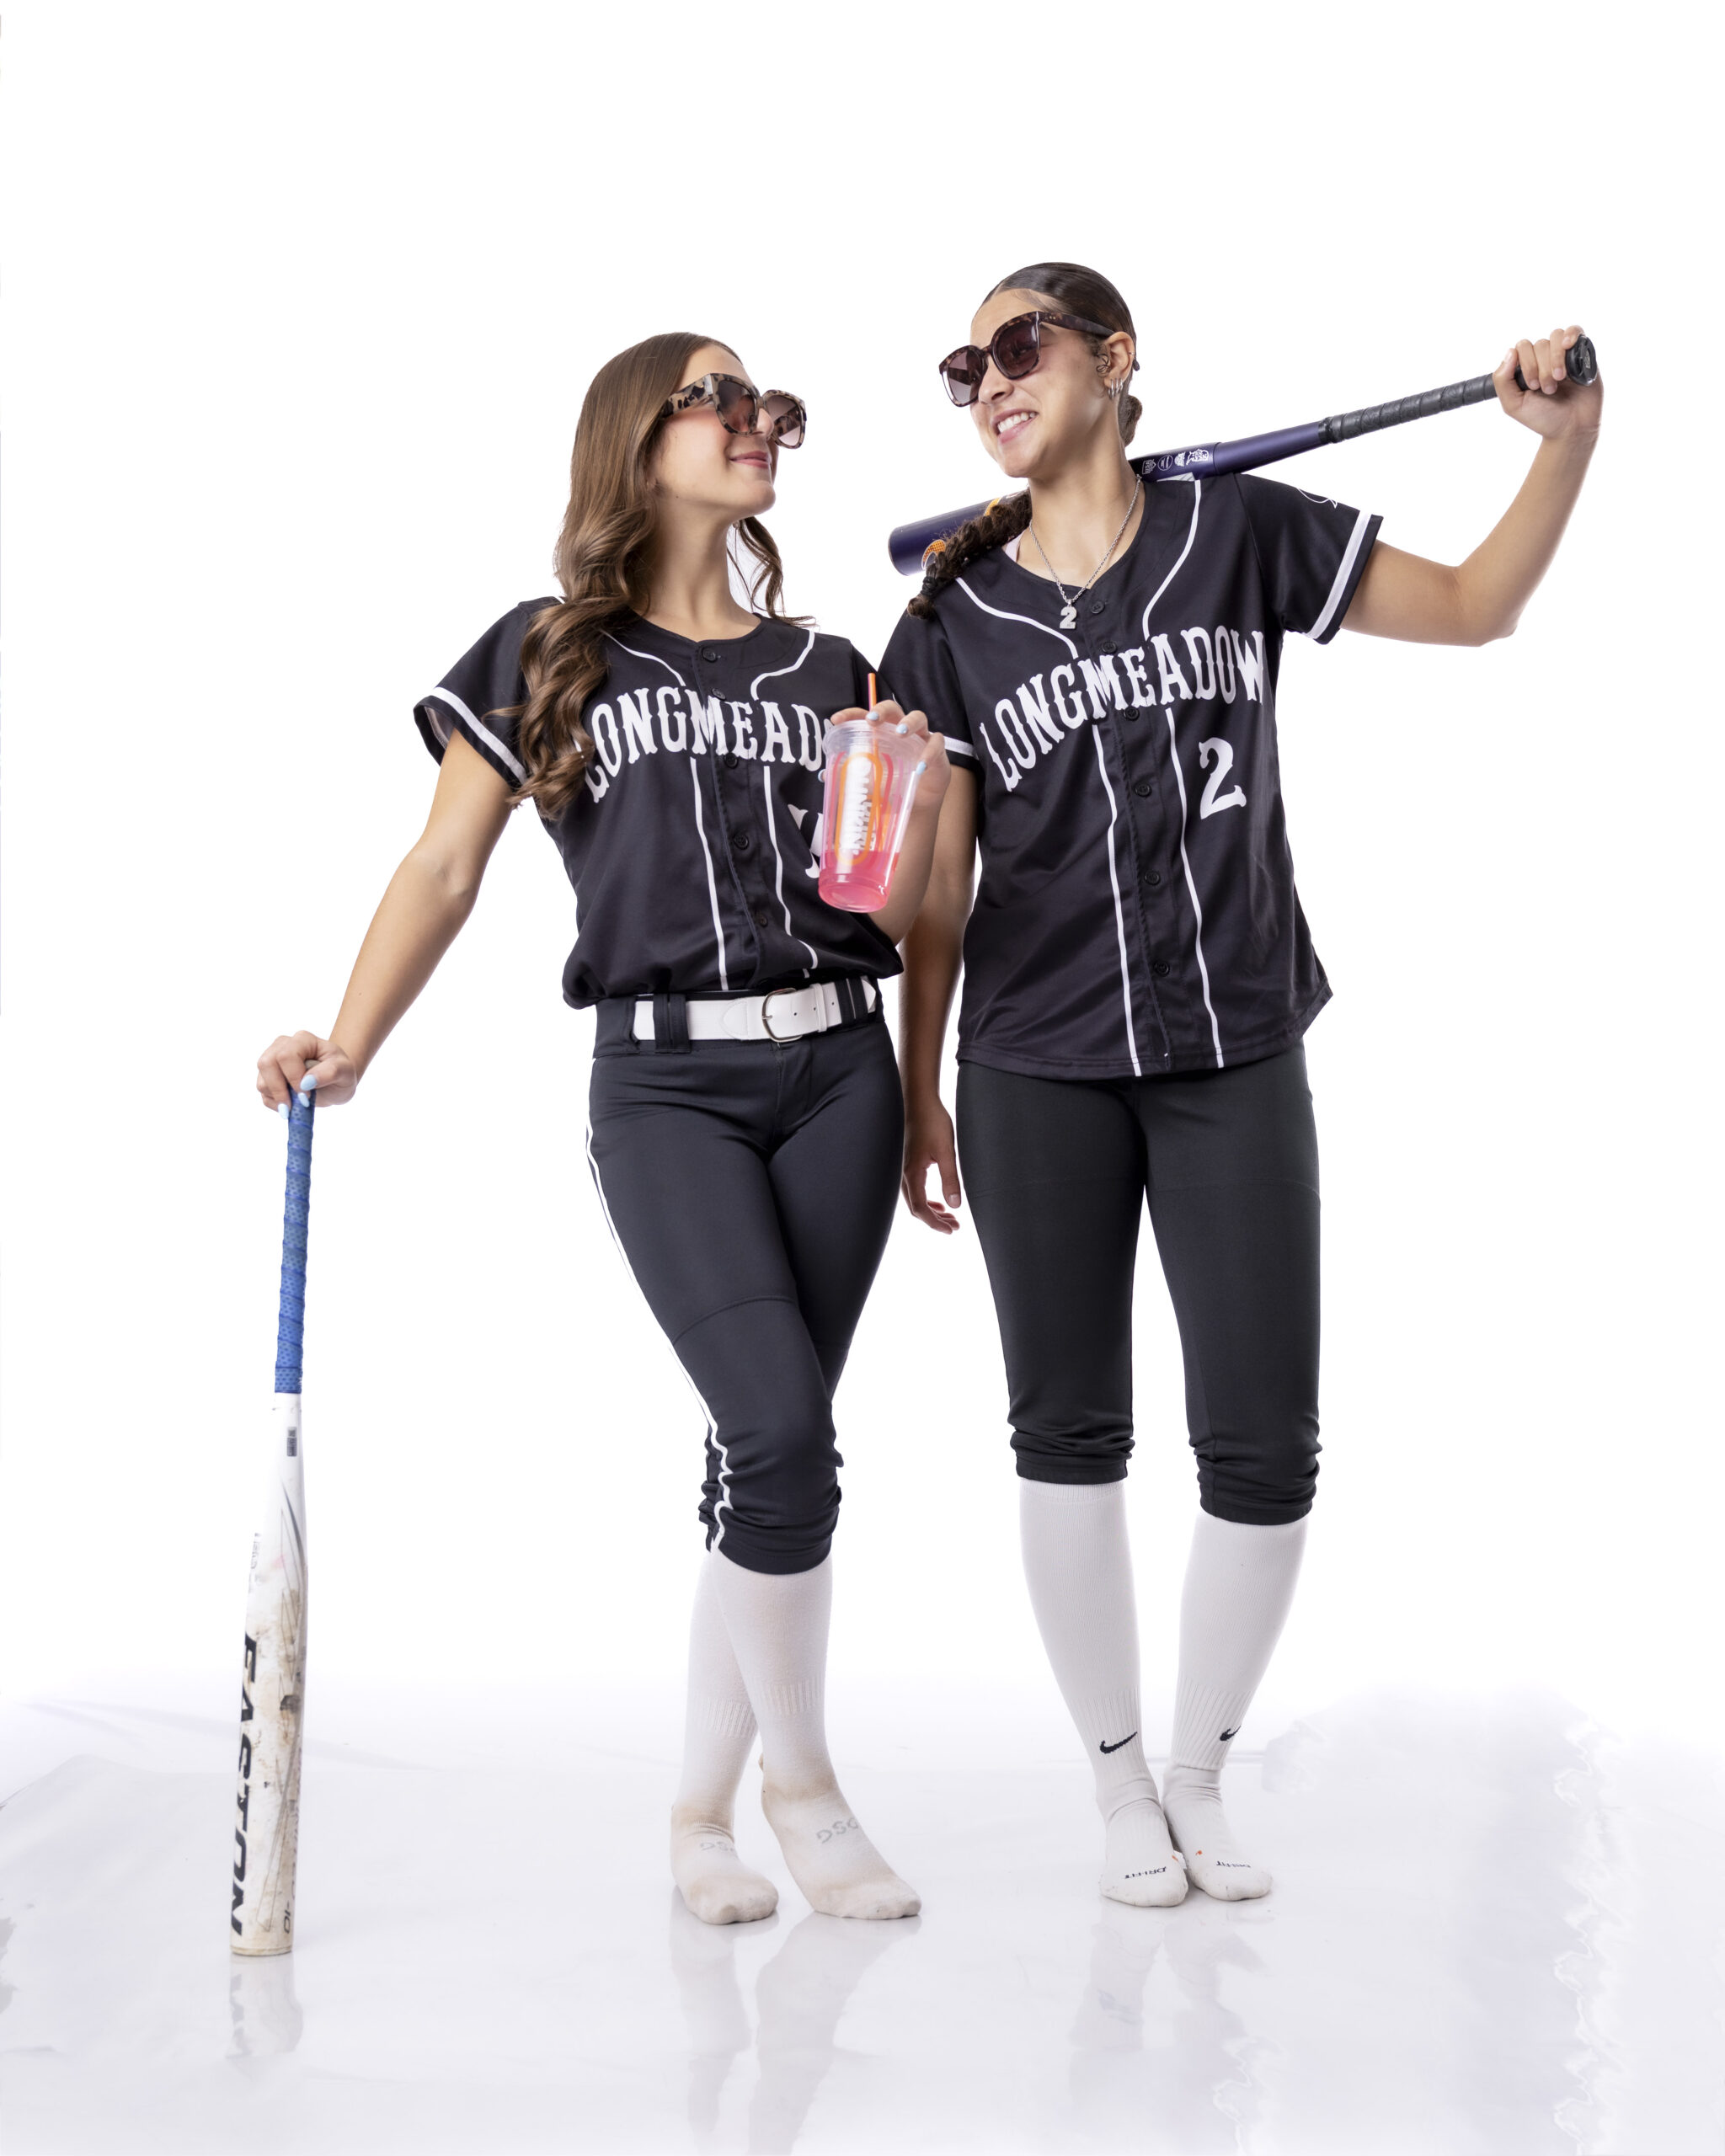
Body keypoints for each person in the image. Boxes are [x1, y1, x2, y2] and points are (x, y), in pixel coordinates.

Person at [884, 262, 1599, 1905]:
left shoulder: (1238, 533)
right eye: (960, 368)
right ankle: (1117, 1779)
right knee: (1068, 1432)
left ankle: (1199, 1762)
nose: (988, 381)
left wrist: (1562, 440)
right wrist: (921, 1088)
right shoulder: (949, 615)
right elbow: (936, 890)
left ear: (1116, 360)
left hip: (1235, 1044)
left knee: (1264, 1442)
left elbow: (1481, 604)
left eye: (1020, 347)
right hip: (1035, 1066)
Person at [255, 333, 949, 1925]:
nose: (757, 420)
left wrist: (904, 833)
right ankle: (806, 1791)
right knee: (784, 1439)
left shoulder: (834, 668)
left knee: (759, 1464)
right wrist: (349, 1041)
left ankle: (700, 1821)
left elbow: (891, 912)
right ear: (638, 440)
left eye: (770, 403)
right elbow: (444, 869)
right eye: (719, 396)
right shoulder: (548, 650)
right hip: (668, 1092)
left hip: (837, 1080)